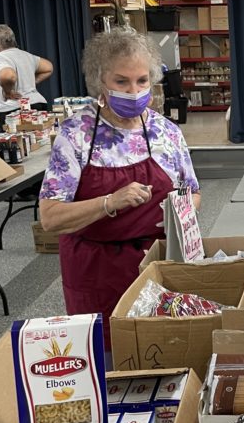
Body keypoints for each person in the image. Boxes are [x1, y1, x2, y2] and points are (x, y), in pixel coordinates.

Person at [39, 27, 200, 347]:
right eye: (121, 82)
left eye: (142, 81)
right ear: (101, 82)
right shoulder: (76, 135)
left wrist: (178, 213)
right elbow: (50, 217)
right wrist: (108, 202)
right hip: (96, 271)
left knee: (163, 350)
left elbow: (192, 192)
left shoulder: (165, 132)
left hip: (157, 265)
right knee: (109, 358)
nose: (134, 91)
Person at [0, 24, 53, 118]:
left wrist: (8, 92)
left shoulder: (0, 57)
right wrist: (30, 81)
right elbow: (48, 67)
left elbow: (8, 76)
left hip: (16, 111)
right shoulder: (25, 55)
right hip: (38, 105)